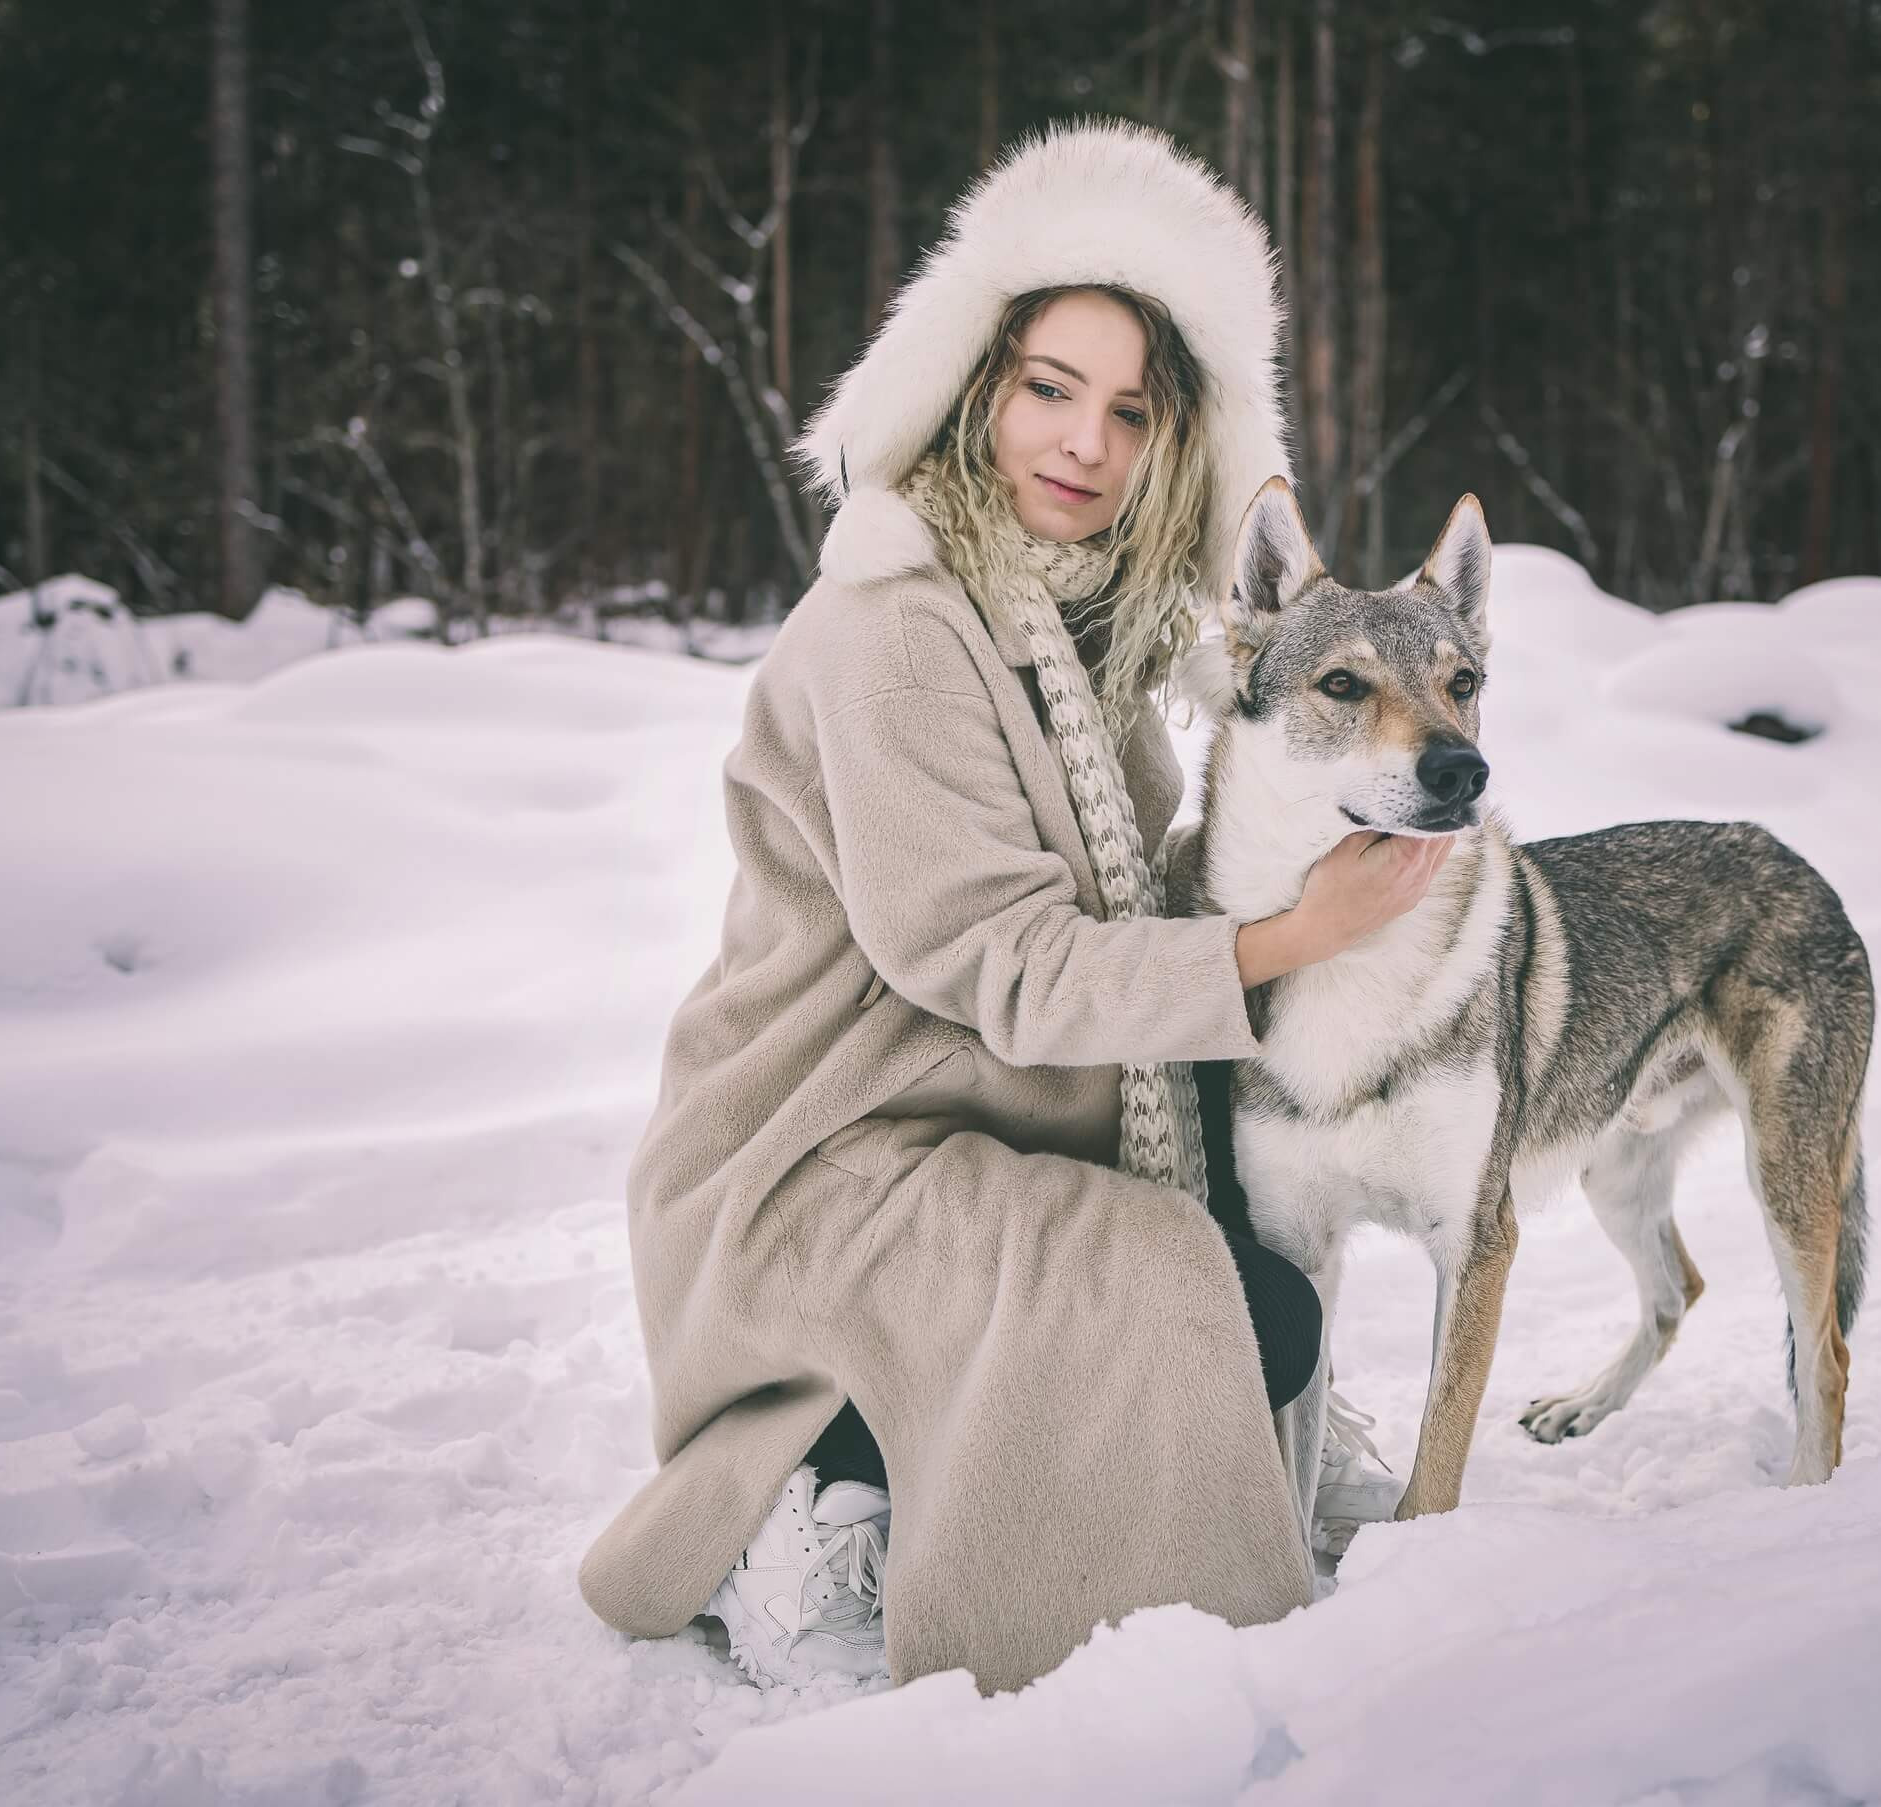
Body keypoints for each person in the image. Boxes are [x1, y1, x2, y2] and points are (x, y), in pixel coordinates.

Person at [578, 120, 1448, 1694]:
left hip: (981, 1133)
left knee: (1259, 1243)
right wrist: (1283, 941)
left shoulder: (1085, 632)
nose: (1085, 445)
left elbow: (1128, 908)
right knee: (1189, 1296)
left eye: (1131, 410)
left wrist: (1302, 864)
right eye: (1051, 387)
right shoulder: (895, 629)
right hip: (819, 1164)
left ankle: (1165, 1464)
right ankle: (795, 1503)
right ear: (974, 385)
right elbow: (1003, 964)